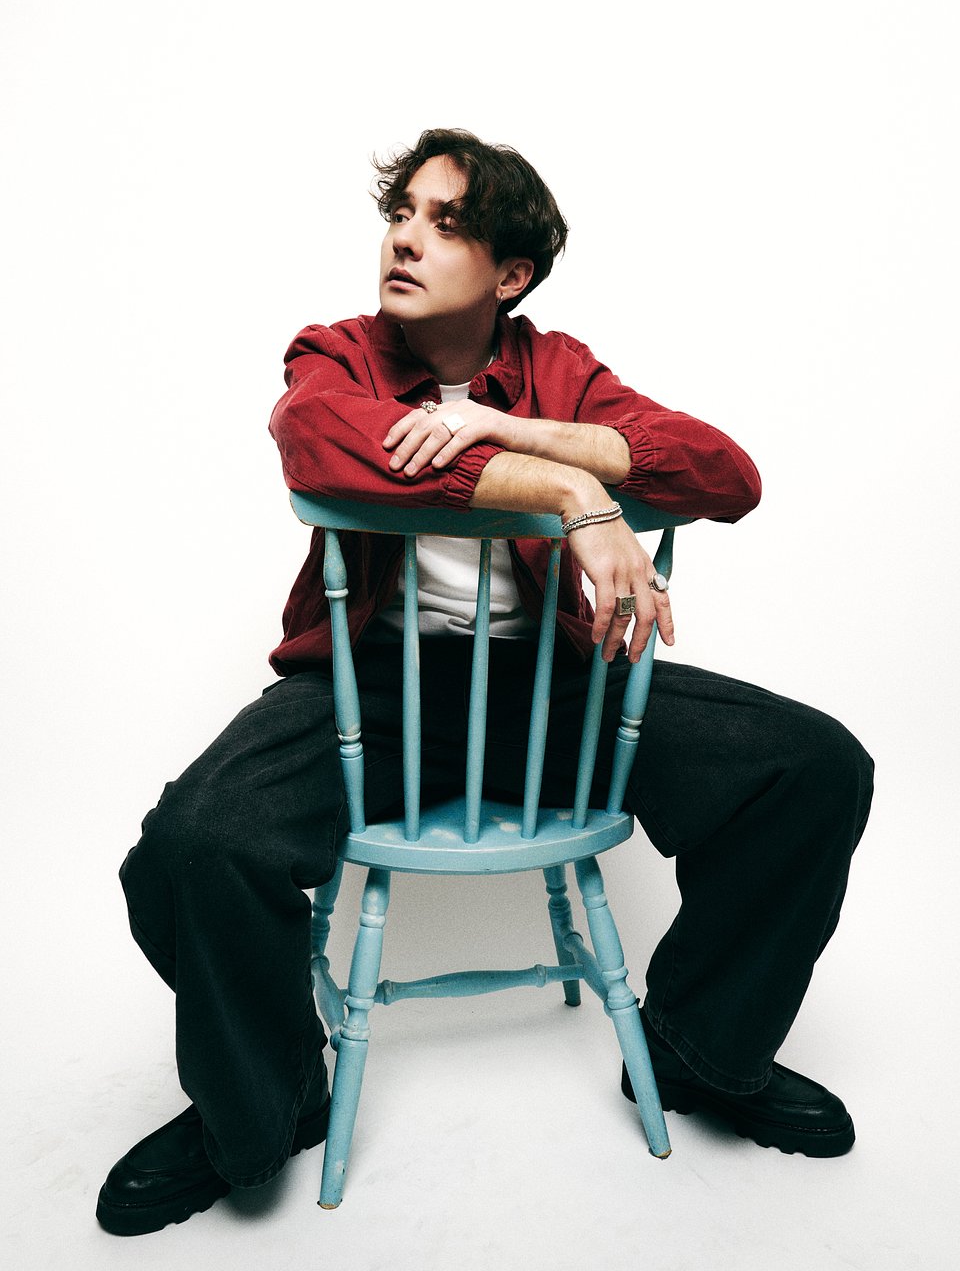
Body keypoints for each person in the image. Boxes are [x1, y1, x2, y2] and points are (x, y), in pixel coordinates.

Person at [96, 129, 873, 1236]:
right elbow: (322, 445)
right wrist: (570, 492)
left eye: (445, 223)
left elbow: (724, 472)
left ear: (511, 274)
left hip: (545, 692)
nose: (405, 239)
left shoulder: (559, 371)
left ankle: (702, 1051)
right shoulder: (336, 355)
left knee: (812, 766)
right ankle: (260, 1106)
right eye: (400, 214)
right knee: (192, 846)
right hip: (371, 694)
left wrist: (517, 429)